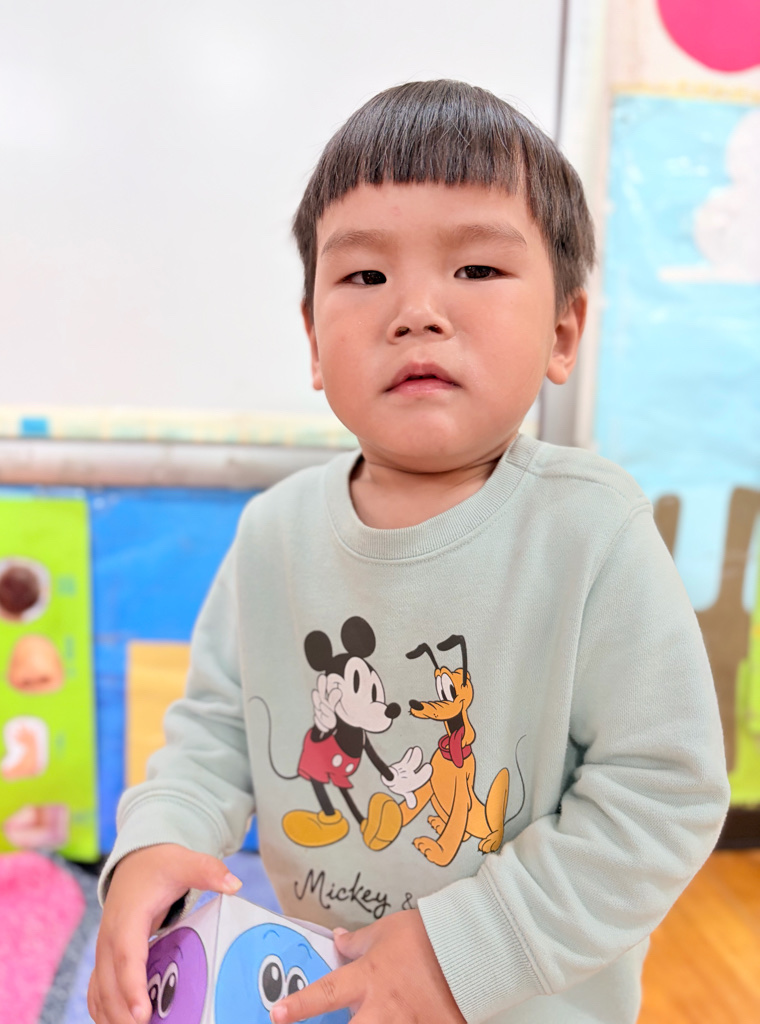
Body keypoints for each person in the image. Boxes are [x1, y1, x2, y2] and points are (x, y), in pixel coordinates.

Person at [88, 80, 730, 1024]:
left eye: (476, 268)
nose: (417, 311)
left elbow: (664, 792)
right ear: (314, 340)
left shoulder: (592, 530)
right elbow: (216, 735)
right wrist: (155, 840)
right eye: (364, 277)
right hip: (331, 996)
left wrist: (460, 949)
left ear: (562, 332)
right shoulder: (273, 534)